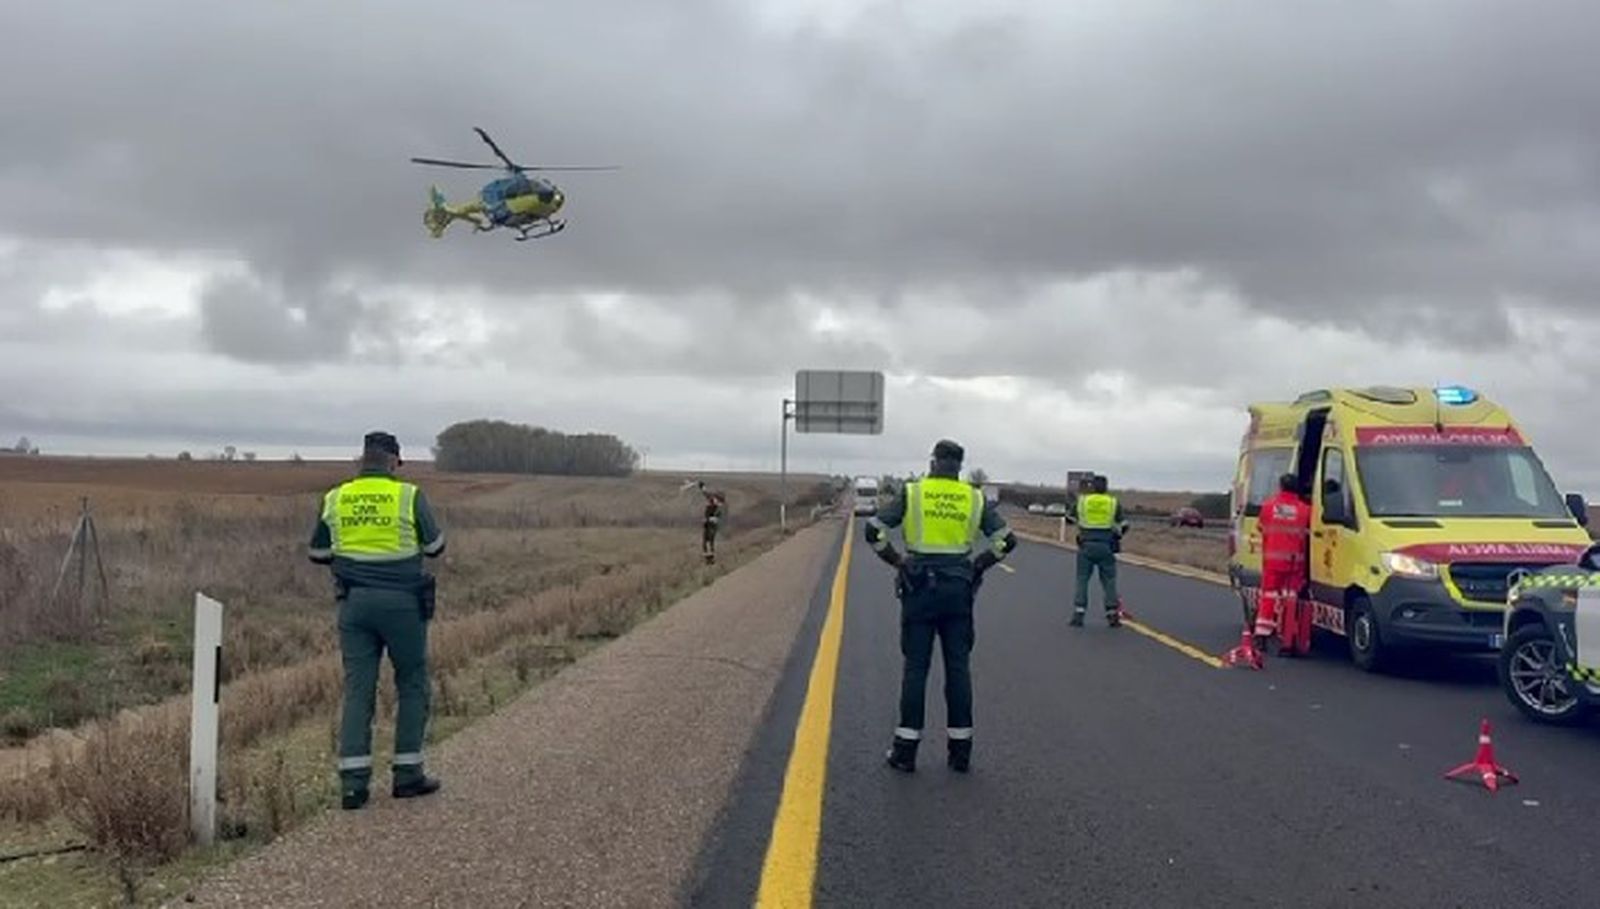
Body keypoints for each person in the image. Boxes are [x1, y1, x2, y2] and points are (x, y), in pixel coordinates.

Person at [307, 431, 447, 809]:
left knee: (358, 691)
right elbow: (435, 547)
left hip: (354, 605)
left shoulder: (335, 497)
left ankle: (353, 786)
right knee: (413, 683)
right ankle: (407, 775)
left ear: (362, 459)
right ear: (394, 462)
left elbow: (317, 552)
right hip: (403, 604)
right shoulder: (409, 496)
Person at [864, 439, 1018, 773]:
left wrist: (898, 561)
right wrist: (978, 565)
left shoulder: (914, 492)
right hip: (959, 589)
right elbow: (1007, 540)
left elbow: (873, 530)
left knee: (916, 669)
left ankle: (905, 751)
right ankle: (960, 753)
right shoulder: (974, 498)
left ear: (934, 463)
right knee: (958, 669)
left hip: (919, 587)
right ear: (959, 467)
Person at [1254, 472, 1312, 656]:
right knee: (1290, 599)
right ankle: (1288, 638)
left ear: (1280, 487)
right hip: (1295, 563)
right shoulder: (1305, 510)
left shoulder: (1269, 507)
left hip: (1272, 562)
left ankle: (1262, 637)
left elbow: (1260, 527)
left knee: (1268, 597)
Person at [1068, 474, 1129, 627]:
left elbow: (1069, 518)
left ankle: (1079, 614)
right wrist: (1117, 534)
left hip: (1086, 545)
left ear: (1092, 487)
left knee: (1082, 579)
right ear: (1106, 487)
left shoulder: (1082, 502)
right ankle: (1112, 614)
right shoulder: (1113, 503)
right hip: (1106, 546)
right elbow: (1124, 524)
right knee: (1109, 580)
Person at [701, 486, 726, 564]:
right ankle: (707, 559)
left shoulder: (718, 508)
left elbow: (717, 519)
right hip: (707, 525)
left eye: (715, 498)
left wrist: (708, 519)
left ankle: (711, 559)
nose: (713, 499)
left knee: (710, 541)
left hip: (712, 526)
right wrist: (702, 487)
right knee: (705, 542)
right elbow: (706, 495)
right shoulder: (712, 503)